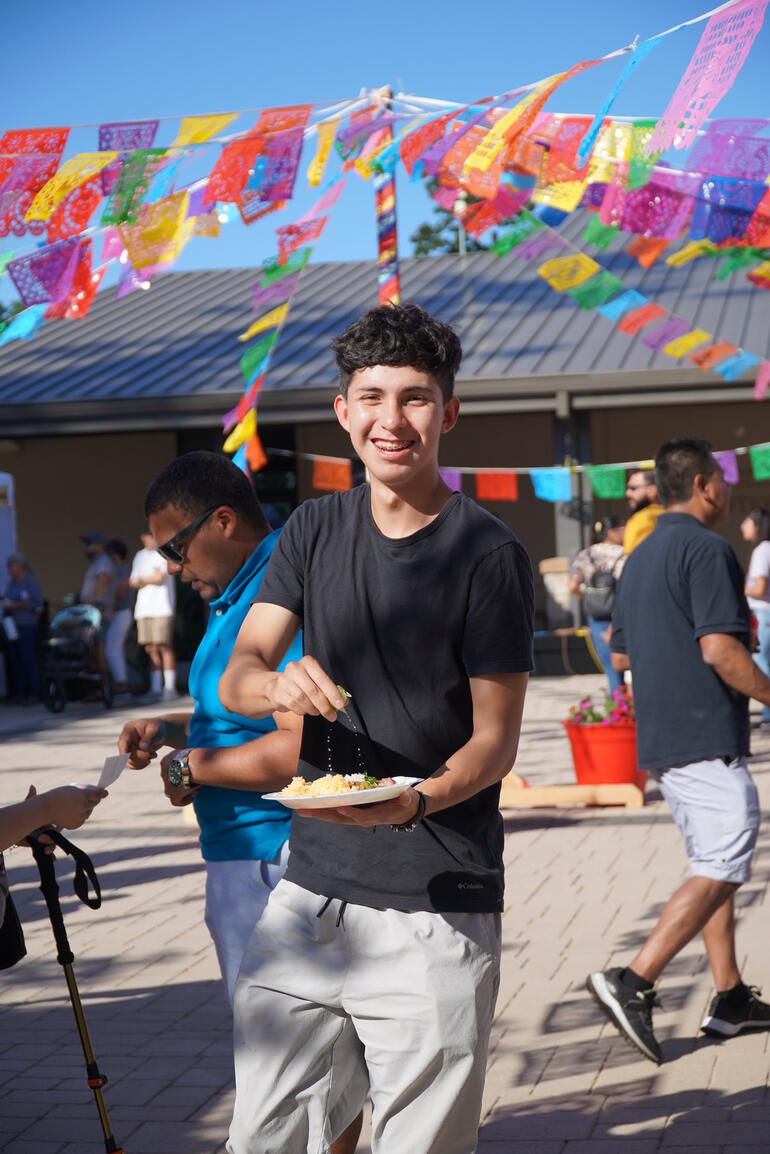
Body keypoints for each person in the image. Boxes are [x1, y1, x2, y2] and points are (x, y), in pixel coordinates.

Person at [219, 303, 534, 1154]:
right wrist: (275, 679)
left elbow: (494, 741)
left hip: (436, 901)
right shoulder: (313, 529)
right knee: (262, 1134)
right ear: (343, 411)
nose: (392, 420)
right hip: (309, 892)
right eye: (372, 396)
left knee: (416, 1143)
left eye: (417, 398)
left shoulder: (487, 552)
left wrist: (411, 803)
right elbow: (240, 670)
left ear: (450, 412)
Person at [116, 452, 364, 1154]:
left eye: (174, 546)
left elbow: (304, 747)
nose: (169, 565)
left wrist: (198, 768)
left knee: (296, 1061)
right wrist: (172, 730)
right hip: (248, 854)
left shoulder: (278, 595)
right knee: (303, 1056)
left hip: (276, 854)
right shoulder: (238, 592)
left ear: (222, 521)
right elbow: (237, 714)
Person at [588, 436, 770, 1066]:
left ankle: (729, 998)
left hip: (663, 739)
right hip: (702, 735)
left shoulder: (639, 556)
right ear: (701, 486)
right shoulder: (707, 547)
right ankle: (632, 980)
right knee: (727, 852)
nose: (728, 491)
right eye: (722, 481)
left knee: (710, 860)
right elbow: (721, 649)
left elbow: (619, 652)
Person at [568, 517, 626, 693]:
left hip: (597, 617)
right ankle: (625, 709)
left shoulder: (586, 554)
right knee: (626, 664)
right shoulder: (622, 553)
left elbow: (572, 587)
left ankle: (618, 709)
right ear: (611, 531)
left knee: (610, 666)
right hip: (620, 615)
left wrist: (589, 596)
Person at [129, 528, 177, 699]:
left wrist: (142, 580)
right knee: (151, 648)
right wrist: (144, 580)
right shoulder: (139, 556)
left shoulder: (162, 553)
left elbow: (159, 577)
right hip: (144, 609)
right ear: (144, 537)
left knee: (164, 645)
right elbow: (132, 582)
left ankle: (170, 687)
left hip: (162, 607)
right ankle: (156, 688)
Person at [740, 508, 770, 729]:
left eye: (747, 522)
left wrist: (738, 589)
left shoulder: (762, 551)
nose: (743, 526)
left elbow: (759, 588)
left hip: (762, 614)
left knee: (760, 663)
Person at [3, 553, 43, 703]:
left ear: (20, 566)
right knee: (15, 660)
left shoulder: (30, 581)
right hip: (12, 626)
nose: (9, 570)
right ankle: (20, 693)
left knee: (28, 658)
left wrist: (19, 605)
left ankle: (34, 693)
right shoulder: (11, 583)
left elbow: (37, 603)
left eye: (11, 566)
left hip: (27, 624)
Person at [105, 539, 134, 695]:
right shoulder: (118, 569)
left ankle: (121, 684)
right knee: (115, 648)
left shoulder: (122, 569)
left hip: (122, 612)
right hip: (118, 613)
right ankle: (121, 683)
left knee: (112, 648)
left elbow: (121, 591)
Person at [80, 531, 116, 626]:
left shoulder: (103, 560)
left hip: (99, 607)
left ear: (99, 545)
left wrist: (93, 597)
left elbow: (104, 577)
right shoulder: (97, 561)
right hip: (95, 607)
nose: (84, 547)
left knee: (97, 637)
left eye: (88, 544)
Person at [623, 468, 663, 554]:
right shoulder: (672, 514)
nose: (627, 493)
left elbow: (635, 557)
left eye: (633, 488)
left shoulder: (643, 519)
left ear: (652, 490)